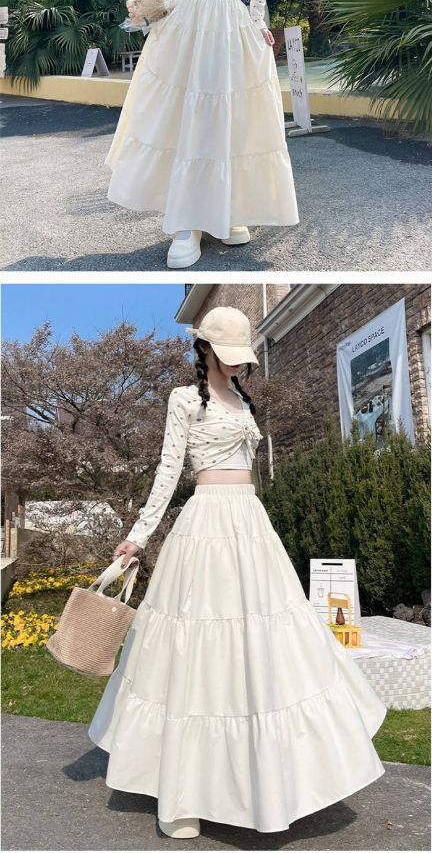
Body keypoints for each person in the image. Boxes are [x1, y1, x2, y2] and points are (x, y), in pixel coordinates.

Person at [87, 306, 387, 839]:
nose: (235, 363)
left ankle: (272, 778)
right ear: (202, 348)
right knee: (194, 656)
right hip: (204, 528)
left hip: (250, 526)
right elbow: (167, 471)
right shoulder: (184, 399)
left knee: (264, 651)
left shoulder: (244, 401)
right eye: (225, 353)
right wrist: (139, 535)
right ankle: (179, 795)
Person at [106, 0, 299, 267]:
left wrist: (258, 23)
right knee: (187, 114)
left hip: (230, 18)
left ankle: (225, 212)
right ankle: (186, 224)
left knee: (228, 115)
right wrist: (164, 10)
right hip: (193, 15)